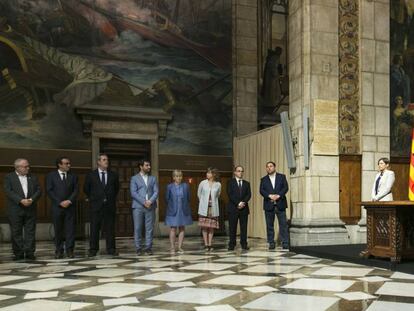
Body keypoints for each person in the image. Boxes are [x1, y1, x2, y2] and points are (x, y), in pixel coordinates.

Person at [4, 158, 41, 260]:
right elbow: (8, 191)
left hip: (30, 208)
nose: (28, 168)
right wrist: (20, 200)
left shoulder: (32, 177)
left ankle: (30, 252)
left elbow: (38, 190)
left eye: (28, 166)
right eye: (25, 166)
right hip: (15, 209)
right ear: (17, 167)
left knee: (30, 231)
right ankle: (19, 253)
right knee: (16, 232)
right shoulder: (9, 177)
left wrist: (31, 199)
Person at [84, 154, 120, 257]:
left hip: (109, 206)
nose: (106, 161)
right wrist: (95, 198)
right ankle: (93, 249)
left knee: (110, 229)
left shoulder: (113, 175)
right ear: (98, 162)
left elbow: (116, 189)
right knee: (94, 228)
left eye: (107, 160)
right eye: (104, 160)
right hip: (96, 206)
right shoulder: (91, 175)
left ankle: (111, 249)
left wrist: (109, 197)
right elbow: (86, 189)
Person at [46, 157, 78, 259]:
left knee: (70, 230)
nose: (69, 165)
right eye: (66, 163)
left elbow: (76, 190)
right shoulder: (51, 176)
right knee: (58, 229)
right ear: (59, 165)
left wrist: (69, 201)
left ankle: (70, 250)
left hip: (70, 207)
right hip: (57, 207)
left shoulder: (73, 176)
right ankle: (59, 251)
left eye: (69, 163)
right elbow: (49, 190)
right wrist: (59, 202)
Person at [130, 159, 159, 256]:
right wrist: (143, 202)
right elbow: (133, 193)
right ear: (141, 166)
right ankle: (138, 248)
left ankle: (148, 247)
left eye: (149, 165)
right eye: (147, 165)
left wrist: (150, 201)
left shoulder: (153, 178)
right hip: (138, 206)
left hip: (150, 206)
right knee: (138, 228)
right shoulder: (134, 178)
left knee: (149, 228)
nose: (149, 167)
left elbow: (156, 191)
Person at [259, 161, 289, 250]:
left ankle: (285, 242)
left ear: (274, 167)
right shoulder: (263, 179)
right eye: (267, 166)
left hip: (280, 204)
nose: (269, 168)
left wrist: (278, 195)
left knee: (283, 224)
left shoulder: (282, 177)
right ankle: (271, 242)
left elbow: (285, 188)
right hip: (269, 204)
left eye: (271, 166)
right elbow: (261, 190)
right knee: (269, 225)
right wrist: (269, 196)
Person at [165, 170, 192, 254]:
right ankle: (172, 247)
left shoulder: (185, 186)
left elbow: (188, 198)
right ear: (173, 177)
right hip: (173, 210)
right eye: (177, 176)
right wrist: (172, 205)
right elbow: (166, 198)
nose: (179, 178)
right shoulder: (169, 186)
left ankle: (180, 247)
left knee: (182, 228)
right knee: (173, 228)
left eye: (180, 176)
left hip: (183, 209)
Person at [227, 165, 251, 251]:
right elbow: (230, 194)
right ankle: (232, 244)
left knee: (243, 228)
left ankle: (244, 244)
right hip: (233, 208)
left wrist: (243, 202)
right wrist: (238, 203)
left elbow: (249, 195)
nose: (240, 172)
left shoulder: (247, 183)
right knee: (232, 228)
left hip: (244, 209)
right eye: (238, 171)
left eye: (241, 171)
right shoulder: (230, 182)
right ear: (235, 172)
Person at [198, 167, 221, 251]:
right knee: (204, 227)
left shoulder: (218, 184)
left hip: (213, 208)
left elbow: (218, 195)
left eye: (209, 173)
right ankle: (206, 244)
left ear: (213, 174)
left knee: (211, 227)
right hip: (204, 207)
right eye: (207, 173)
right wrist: (203, 202)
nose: (207, 174)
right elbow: (199, 194)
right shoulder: (203, 183)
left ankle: (210, 244)